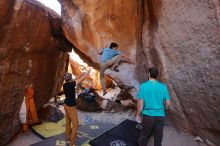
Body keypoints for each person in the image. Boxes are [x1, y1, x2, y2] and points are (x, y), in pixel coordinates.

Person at [136, 67, 171, 146]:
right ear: (156, 75)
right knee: (158, 139)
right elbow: (168, 104)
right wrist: (164, 110)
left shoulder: (143, 86)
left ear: (149, 74)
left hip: (148, 116)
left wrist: (138, 114)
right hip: (160, 116)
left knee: (144, 136)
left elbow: (140, 104)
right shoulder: (163, 87)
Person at [63, 69, 91, 146]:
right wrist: (87, 73)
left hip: (65, 105)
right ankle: (71, 143)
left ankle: (67, 136)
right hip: (71, 107)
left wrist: (80, 74)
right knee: (75, 125)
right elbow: (81, 79)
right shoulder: (71, 84)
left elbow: (74, 79)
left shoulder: (65, 84)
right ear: (70, 79)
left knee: (68, 121)